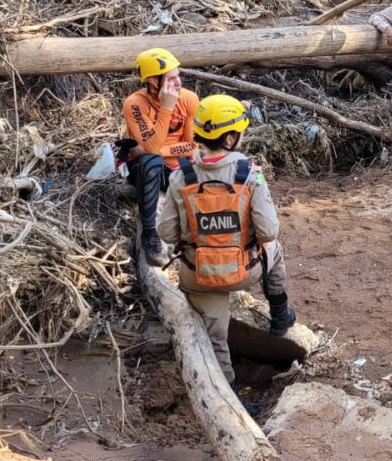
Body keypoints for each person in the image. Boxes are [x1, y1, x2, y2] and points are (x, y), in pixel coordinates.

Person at [157, 94, 297, 414]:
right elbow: (268, 231)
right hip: (244, 270)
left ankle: (232, 398)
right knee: (274, 249)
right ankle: (279, 316)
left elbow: (166, 233)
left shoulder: (181, 175)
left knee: (216, 336)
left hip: (200, 274)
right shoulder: (251, 173)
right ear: (231, 137)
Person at [121, 48, 200, 266]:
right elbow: (153, 147)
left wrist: (152, 150)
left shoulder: (189, 98)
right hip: (145, 169)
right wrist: (166, 108)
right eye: (171, 79)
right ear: (154, 82)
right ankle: (149, 235)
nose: (178, 83)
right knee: (151, 161)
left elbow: (193, 144)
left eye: (178, 76)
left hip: (178, 169)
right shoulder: (135, 104)